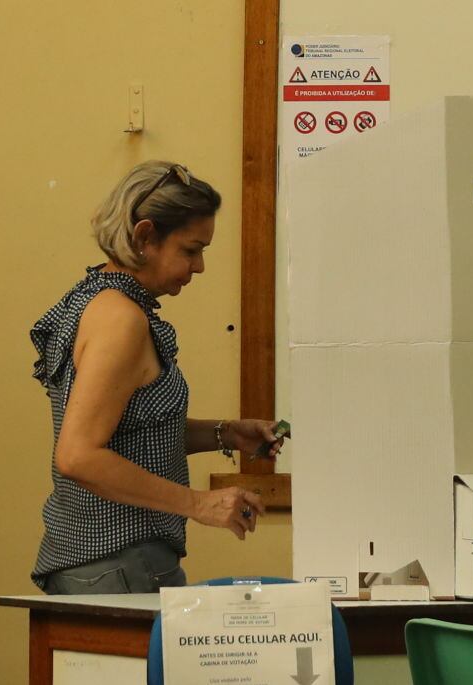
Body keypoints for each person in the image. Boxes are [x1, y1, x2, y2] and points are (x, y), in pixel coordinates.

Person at [29, 161, 283, 595]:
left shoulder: (92, 298)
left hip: (93, 562)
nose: (200, 266)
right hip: (120, 562)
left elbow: (129, 433)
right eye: (191, 250)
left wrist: (225, 433)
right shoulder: (121, 321)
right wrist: (198, 503)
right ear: (145, 237)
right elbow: (77, 456)